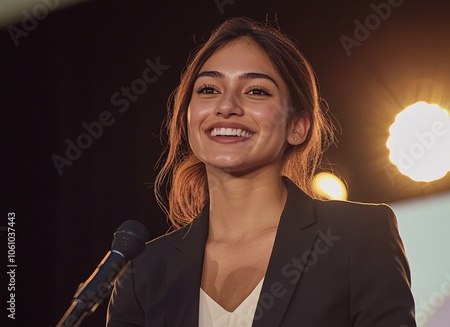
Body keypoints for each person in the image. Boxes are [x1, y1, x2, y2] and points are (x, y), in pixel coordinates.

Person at [106, 17, 416, 327]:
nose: (226, 106)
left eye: (256, 91)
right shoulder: (143, 271)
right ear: (188, 118)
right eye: (209, 89)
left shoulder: (358, 235)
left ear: (297, 126)